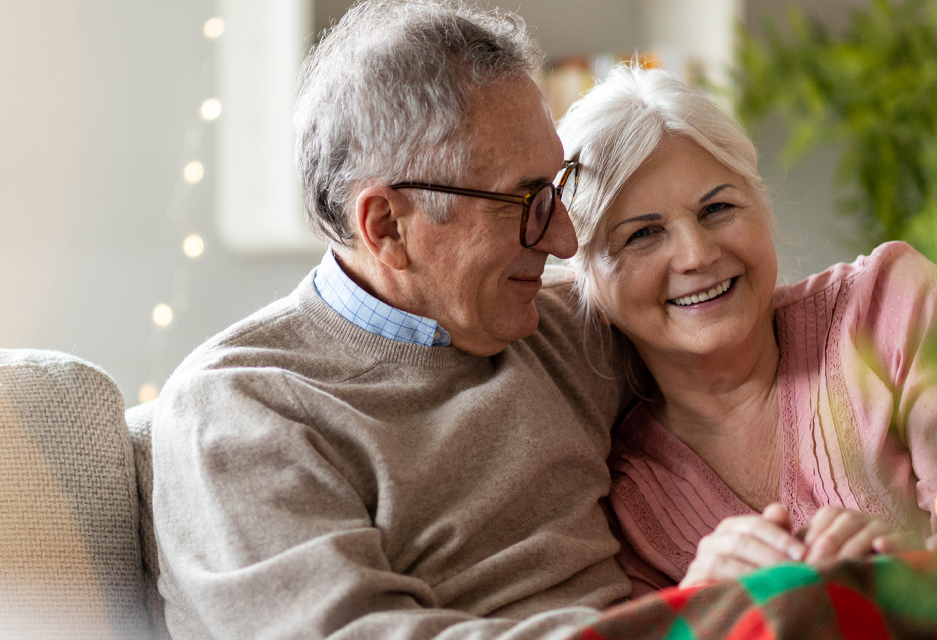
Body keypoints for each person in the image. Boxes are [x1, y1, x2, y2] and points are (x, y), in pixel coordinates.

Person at [150, 1, 634, 637]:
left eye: (559, 187)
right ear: (387, 227)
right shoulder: (245, 406)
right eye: (527, 201)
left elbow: (777, 340)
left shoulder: (568, 326)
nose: (565, 241)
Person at [555, 66, 937, 595]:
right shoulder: (622, 500)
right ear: (590, 286)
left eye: (718, 208)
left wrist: (905, 573)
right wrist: (700, 605)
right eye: (643, 234)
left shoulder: (888, 307)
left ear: (762, 207)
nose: (697, 254)